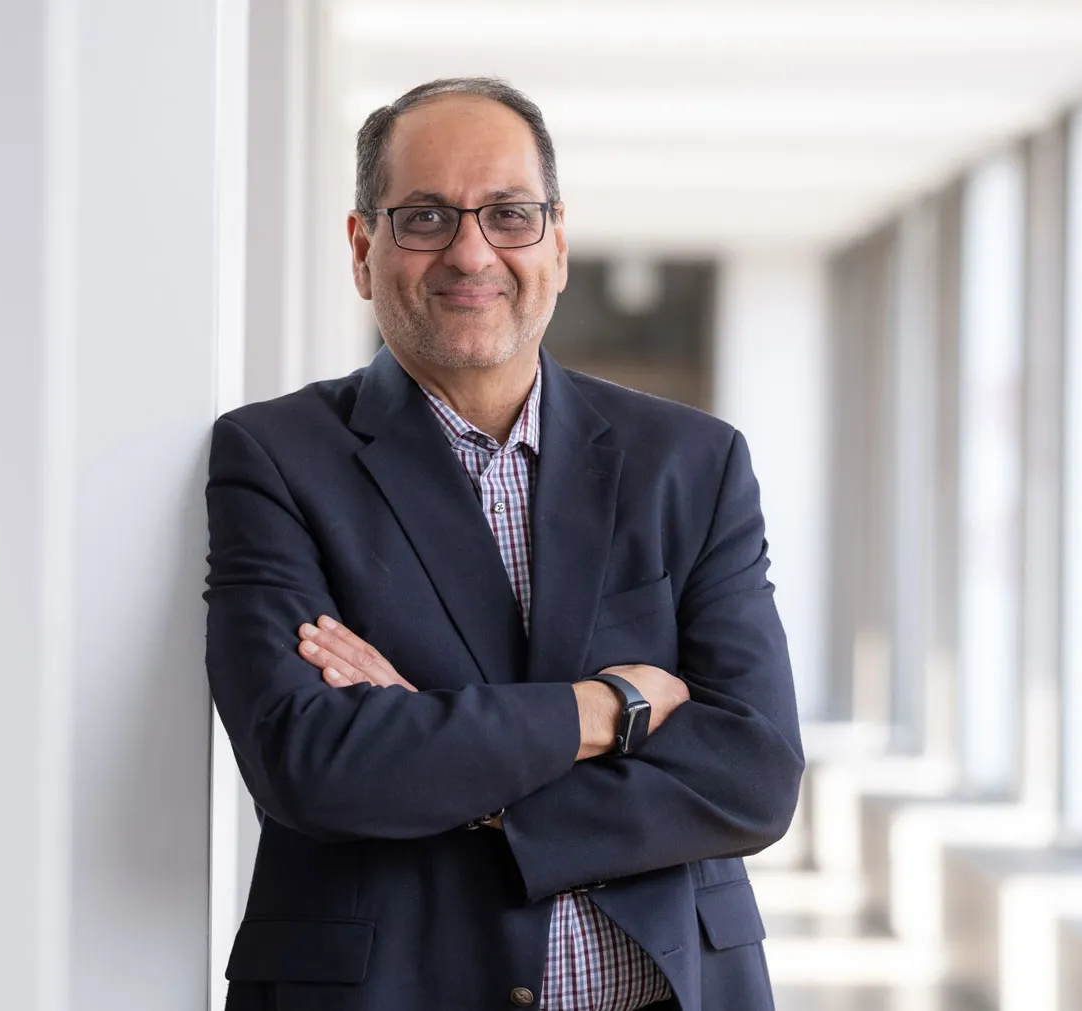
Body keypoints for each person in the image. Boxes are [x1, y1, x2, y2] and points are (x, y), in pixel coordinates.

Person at [205, 77, 803, 1011]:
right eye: (425, 217)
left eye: (509, 215)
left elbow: (752, 772)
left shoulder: (692, 461)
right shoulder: (275, 457)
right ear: (363, 250)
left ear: (557, 245)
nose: (470, 251)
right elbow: (311, 763)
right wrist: (605, 710)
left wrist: (456, 766)